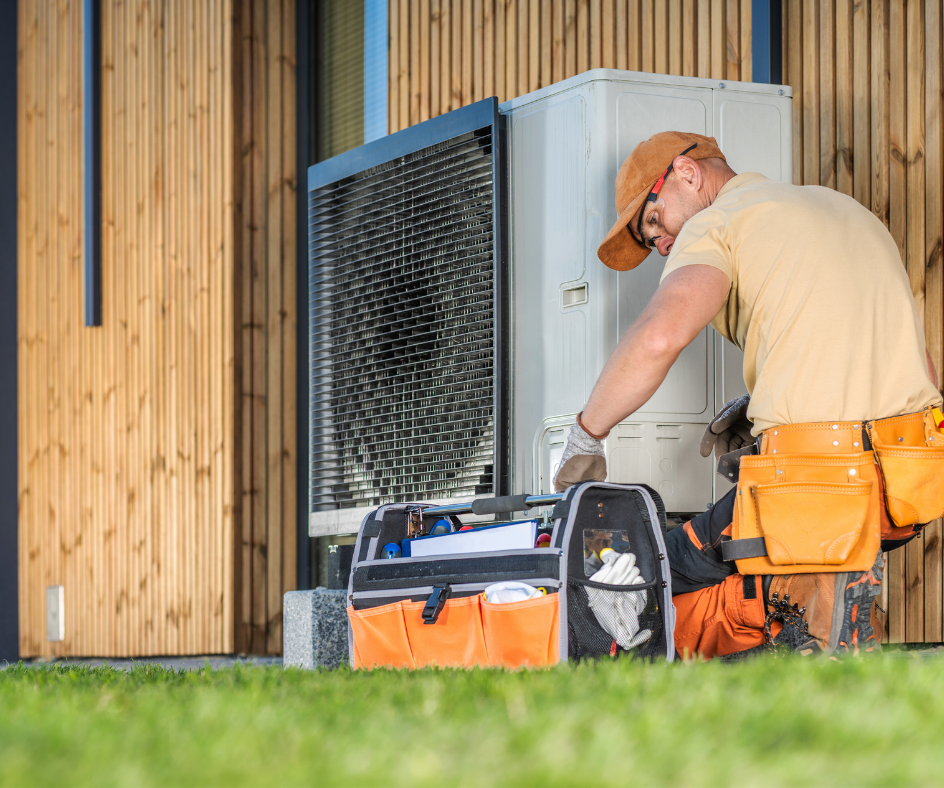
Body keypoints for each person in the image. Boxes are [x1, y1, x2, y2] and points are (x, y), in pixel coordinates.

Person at [553, 130, 944, 659]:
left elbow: (659, 337)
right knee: (770, 549)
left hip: (816, 481)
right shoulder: (845, 209)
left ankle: (804, 635)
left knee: (650, 566)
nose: (661, 245)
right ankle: (824, 607)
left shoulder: (718, 222)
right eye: (652, 243)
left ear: (686, 174)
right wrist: (772, 404)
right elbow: (917, 368)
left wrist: (586, 435)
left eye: (654, 222)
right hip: (907, 482)